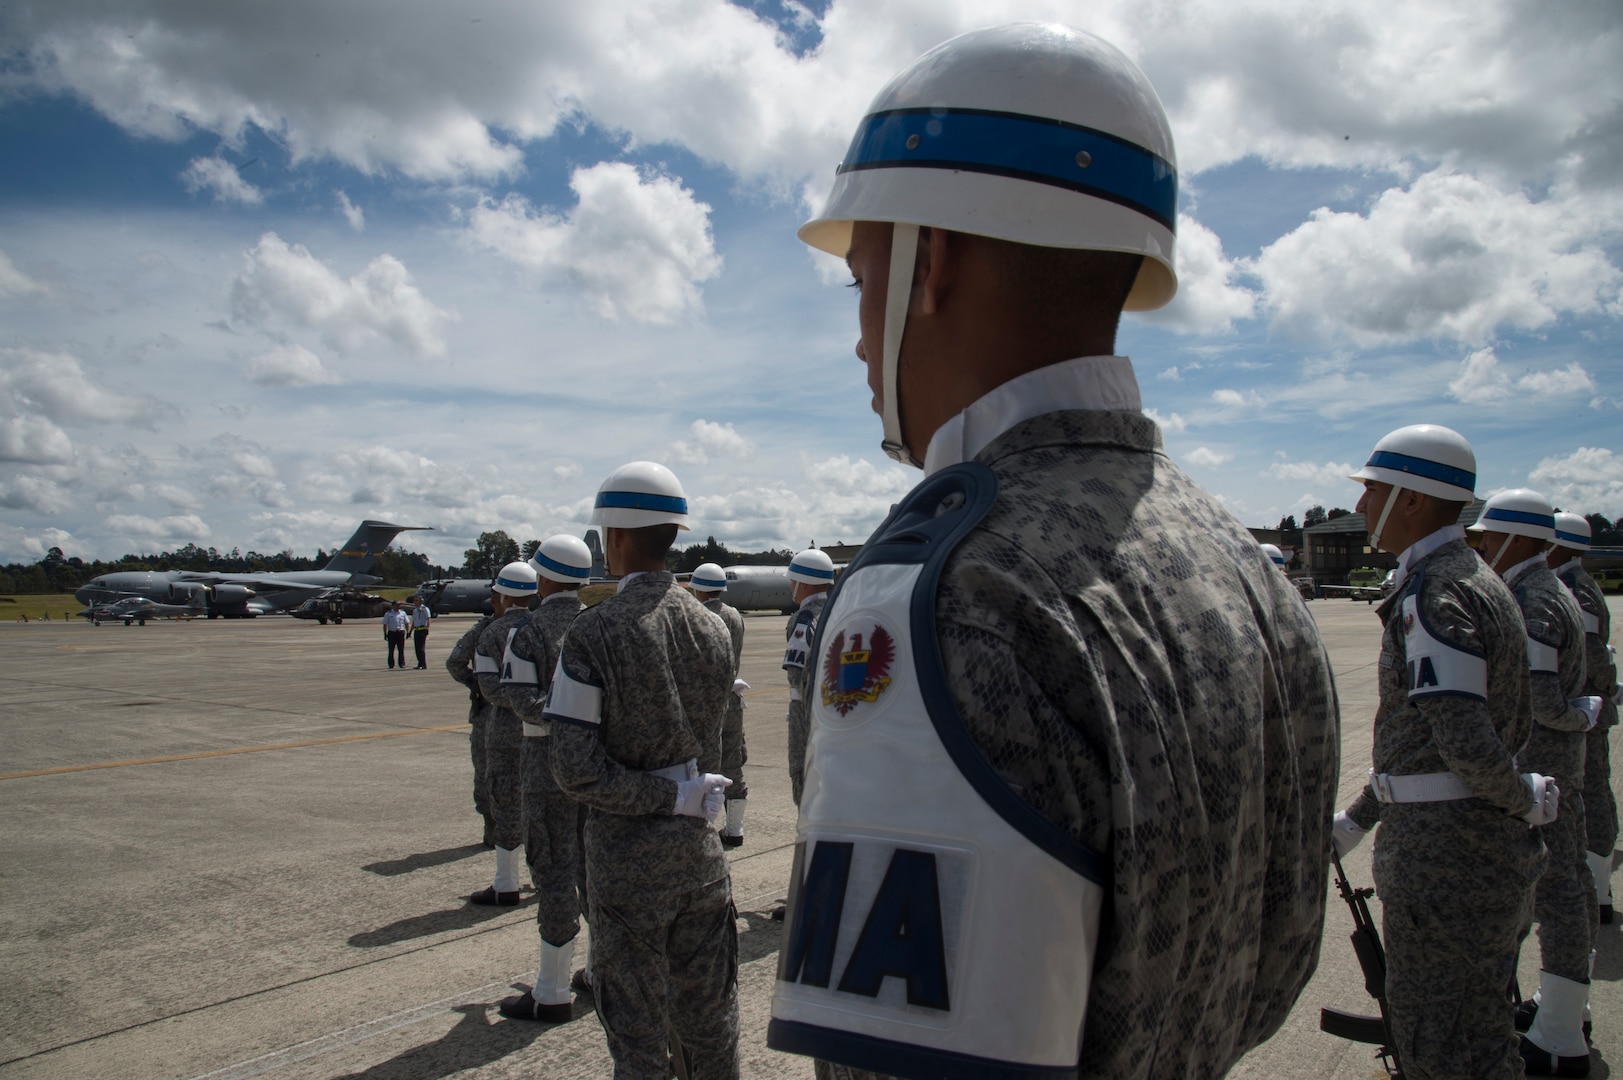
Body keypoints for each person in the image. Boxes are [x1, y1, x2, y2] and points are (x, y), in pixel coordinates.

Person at [766, 24, 1340, 1080]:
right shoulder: (1251, 571)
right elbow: (1273, 964)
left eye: (859, 282)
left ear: (928, 261)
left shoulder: (945, 594)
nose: (856, 335)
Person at [1332, 426, 1558, 1080]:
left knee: (1446, 1051)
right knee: (1472, 1035)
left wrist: (1521, 799)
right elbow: (1424, 745)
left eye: (1371, 490)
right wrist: (1356, 819)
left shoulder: (1435, 594)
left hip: (1446, 862)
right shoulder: (1465, 579)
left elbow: (1462, 744)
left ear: (1410, 498)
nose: (1359, 508)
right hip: (1467, 853)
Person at [545, 461, 738, 1079]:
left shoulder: (592, 633)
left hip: (628, 864)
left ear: (616, 537)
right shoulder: (712, 628)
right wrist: (682, 796)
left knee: (637, 1039)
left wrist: (661, 797)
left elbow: (576, 771)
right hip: (701, 856)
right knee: (711, 1028)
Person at [1469, 490, 1597, 1075]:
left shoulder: (1531, 600)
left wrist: (1583, 714)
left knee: (1557, 896)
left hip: (1541, 772)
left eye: (1490, 537)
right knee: (1562, 891)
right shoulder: (1548, 590)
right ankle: (1562, 1014)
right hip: (1555, 769)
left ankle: (1561, 1036)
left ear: (1518, 538)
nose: (1484, 547)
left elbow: (1543, 700)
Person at [488, 535, 594, 1022]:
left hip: (544, 759)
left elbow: (517, 698)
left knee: (552, 869)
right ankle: (600, 970)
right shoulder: (598, 626)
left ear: (545, 577)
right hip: (595, 763)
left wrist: (560, 719)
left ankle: (551, 991)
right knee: (593, 868)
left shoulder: (526, 631)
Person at [1548, 511, 1620, 931]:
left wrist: (1603, 690)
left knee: (1590, 794)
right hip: (1584, 707)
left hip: (1584, 710)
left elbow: (1594, 653)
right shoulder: (1574, 584)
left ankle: (1598, 888)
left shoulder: (1575, 588)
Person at [469, 561, 539, 905]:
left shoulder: (491, 634)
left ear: (501, 594)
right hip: (542, 730)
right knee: (544, 807)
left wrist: (516, 700)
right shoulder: (541, 627)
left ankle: (506, 882)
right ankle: (546, 878)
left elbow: (489, 689)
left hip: (504, 732)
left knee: (506, 805)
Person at [690, 562, 750, 846]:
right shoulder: (735, 616)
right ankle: (735, 828)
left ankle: (702, 828)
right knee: (733, 764)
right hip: (732, 698)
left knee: (703, 766)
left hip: (703, 705)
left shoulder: (694, 617)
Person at [782, 548, 834, 807]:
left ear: (803, 583)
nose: (791, 585)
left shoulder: (803, 619)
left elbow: (796, 674)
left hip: (807, 711)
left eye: (793, 580)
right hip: (833, 709)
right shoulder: (837, 610)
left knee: (803, 776)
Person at [446, 605, 497, 848]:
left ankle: (492, 828)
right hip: (527, 716)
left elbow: (455, 662)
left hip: (487, 713)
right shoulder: (531, 624)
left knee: (486, 771)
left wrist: (478, 685)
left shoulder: (484, 629)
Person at [382, 601, 408, 669]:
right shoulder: (388, 613)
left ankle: (401, 663)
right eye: (397, 605)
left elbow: (406, 622)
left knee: (401, 649)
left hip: (400, 632)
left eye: (399, 605)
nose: (398, 607)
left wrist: (408, 632)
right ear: (393, 606)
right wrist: (385, 633)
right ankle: (391, 664)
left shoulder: (403, 613)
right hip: (392, 633)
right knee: (391, 650)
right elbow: (385, 624)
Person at [411, 595, 433, 669]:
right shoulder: (415, 610)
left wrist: (427, 628)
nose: (415, 602)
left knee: (421, 648)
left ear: (421, 601)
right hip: (416, 630)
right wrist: (410, 631)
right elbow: (414, 621)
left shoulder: (425, 609)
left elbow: (428, 619)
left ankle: (423, 664)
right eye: (414, 601)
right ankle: (419, 663)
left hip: (422, 630)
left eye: (416, 600)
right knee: (417, 648)